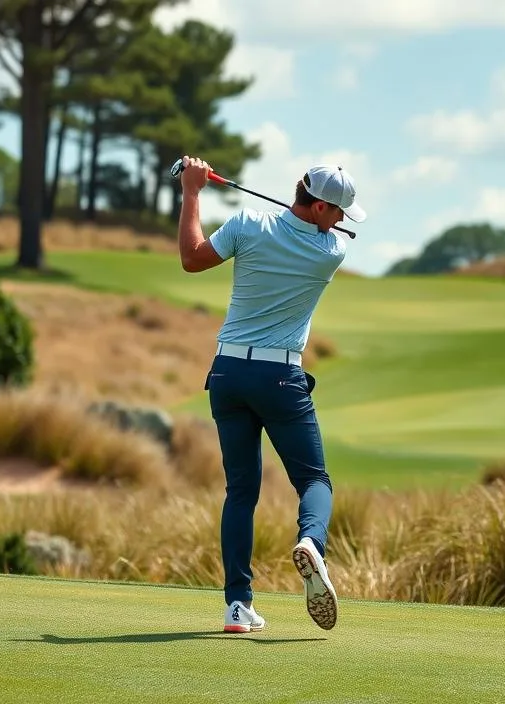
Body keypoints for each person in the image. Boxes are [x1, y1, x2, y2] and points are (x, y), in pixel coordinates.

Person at [175, 155, 366, 633]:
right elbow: (320, 231)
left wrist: (193, 191)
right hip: (279, 379)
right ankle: (311, 544)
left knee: (240, 492)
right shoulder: (330, 253)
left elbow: (192, 258)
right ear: (321, 209)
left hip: (227, 374)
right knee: (315, 482)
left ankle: (237, 605)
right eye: (339, 212)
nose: (343, 221)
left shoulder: (246, 224)